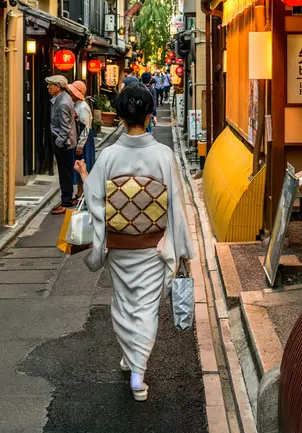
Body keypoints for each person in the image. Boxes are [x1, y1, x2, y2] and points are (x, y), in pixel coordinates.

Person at [74, 83, 194, 402]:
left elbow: (96, 200)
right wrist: (180, 248)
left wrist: (86, 178)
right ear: (150, 115)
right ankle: (137, 371)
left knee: (123, 305)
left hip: (118, 247)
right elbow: (176, 207)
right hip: (154, 248)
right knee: (145, 309)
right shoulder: (163, 155)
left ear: (123, 117)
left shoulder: (110, 155)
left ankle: (134, 362)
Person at [46, 75, 77, 215]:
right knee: (65, 172)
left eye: (50, 85)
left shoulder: (63, 102)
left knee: (64, 173)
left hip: (63, 143)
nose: (48, 87)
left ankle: (66, 202)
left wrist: (58, 142)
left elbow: (65, 128)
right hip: (64, 142)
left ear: (58, 87)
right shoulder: (63, 98)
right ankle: (67, 199)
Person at [65, 81, 96, 198]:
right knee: (80, 163)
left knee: (83, 163)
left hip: (84, 139)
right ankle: (80, 191)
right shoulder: (78, 104)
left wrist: (80, 145)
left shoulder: (82, 107)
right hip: (81, 138)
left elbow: (85, 128)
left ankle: (82, 192)